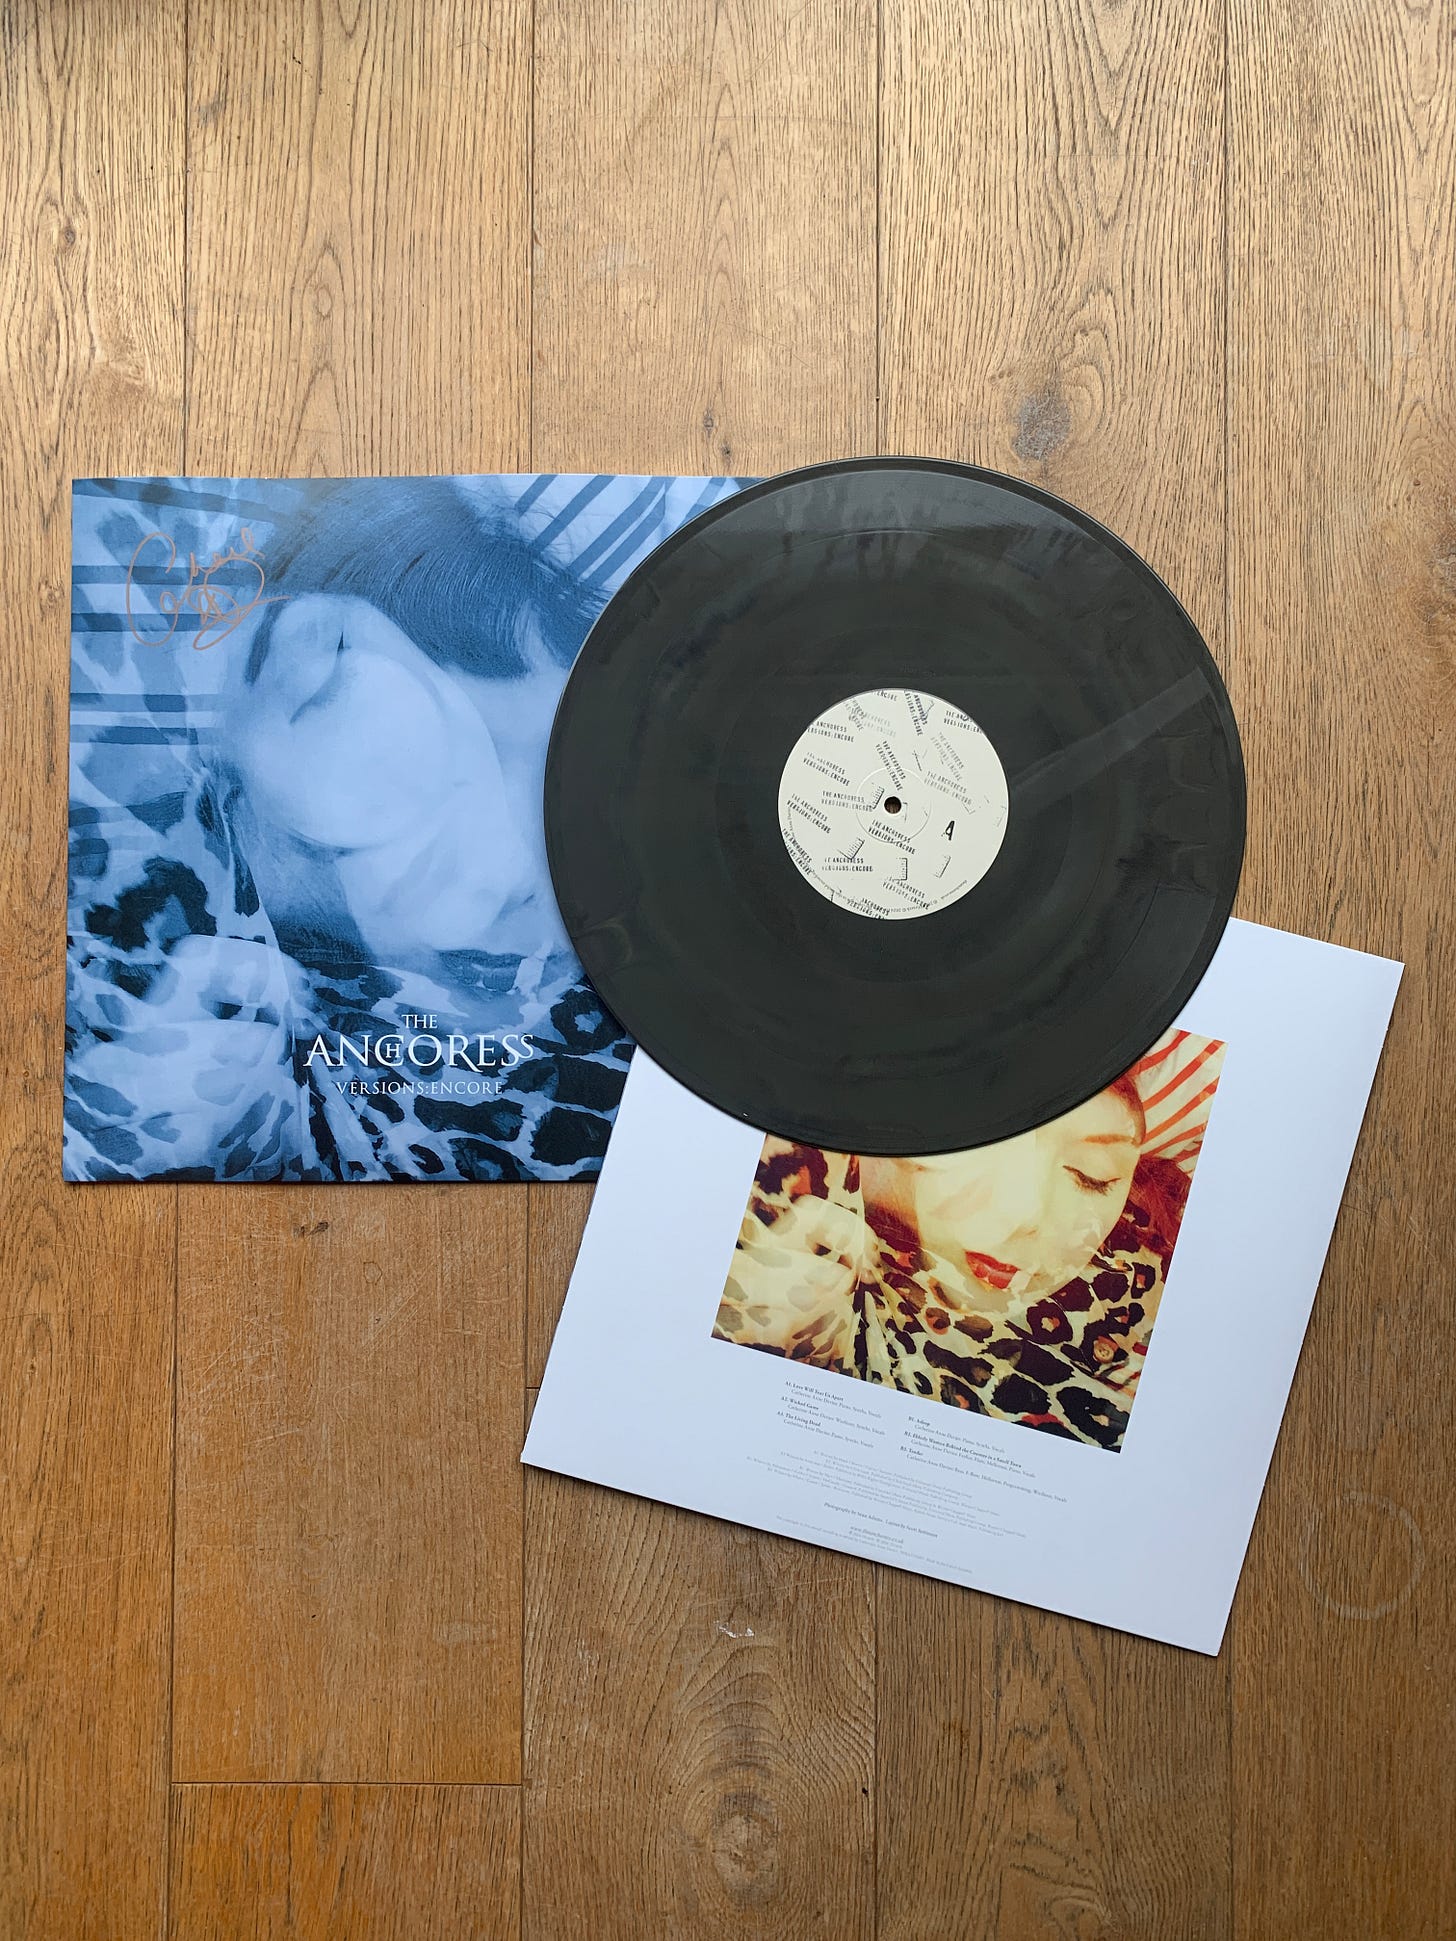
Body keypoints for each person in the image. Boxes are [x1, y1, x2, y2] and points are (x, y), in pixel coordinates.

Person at [712, 1042, 1222, 1451]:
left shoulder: (1152, 1286)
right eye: (986, 1143)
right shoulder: (774, 1176)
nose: (1024, 1219)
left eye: (1091, 1176)